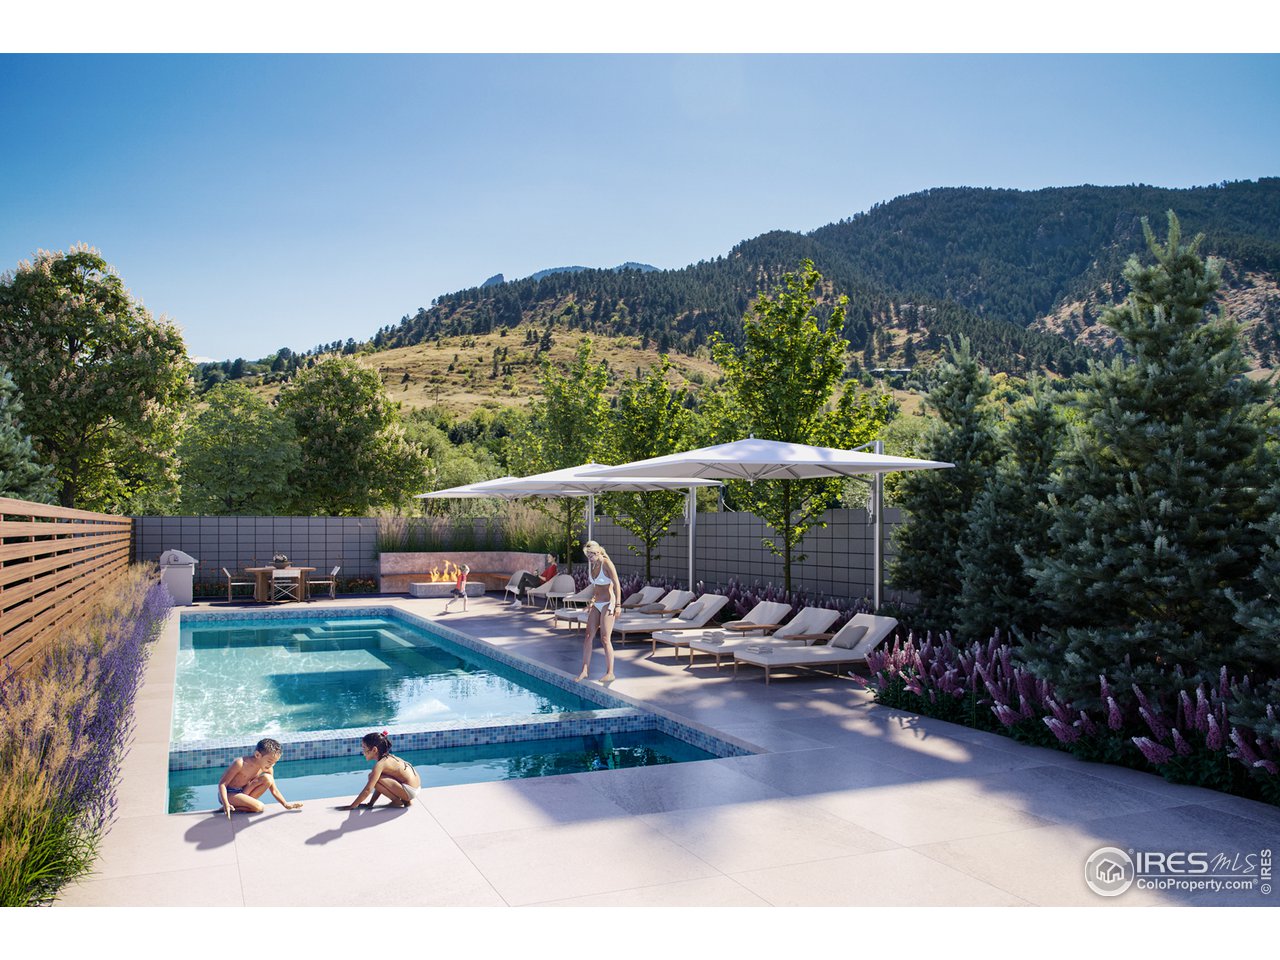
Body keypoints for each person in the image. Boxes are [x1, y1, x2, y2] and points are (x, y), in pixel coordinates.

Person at [217, 737, 303, 816]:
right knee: (259, 807)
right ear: (257, 755)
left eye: (274, 762)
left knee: (268, 778)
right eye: (269, 761)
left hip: (244, 792)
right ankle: (231, 806)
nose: (272, 765)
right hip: (229, 794)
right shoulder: (241, 763)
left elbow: (274, 790)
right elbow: (222, 784)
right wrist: (225, 803)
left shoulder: (268, 768)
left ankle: (236, 807)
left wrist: (285, 804)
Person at [342, 731, 422, 809]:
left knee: (372, 777)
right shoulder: (389, 758)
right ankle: (406, 801)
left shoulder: (380, 764)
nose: (363, 752)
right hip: (416, 787)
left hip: (410, 791)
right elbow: (381, 785)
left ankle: (397, 801)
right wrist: (371, 803)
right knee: (377, 778)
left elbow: (368, 789)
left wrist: (352, 806)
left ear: (374, 750)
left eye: (364, 748)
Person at [578, 540, 620, 683]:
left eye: (591, 555)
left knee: (605, 638)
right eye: (587, 555)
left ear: (597, 552)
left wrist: (618, 605)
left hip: (609, 603)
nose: (589, 558)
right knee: (588, 636)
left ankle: (610, 672)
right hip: (597, 603)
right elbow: (596, 588)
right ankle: (585, 670)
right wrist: (592, 601)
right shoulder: (593, 565)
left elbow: (616, 584)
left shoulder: (606, 563)